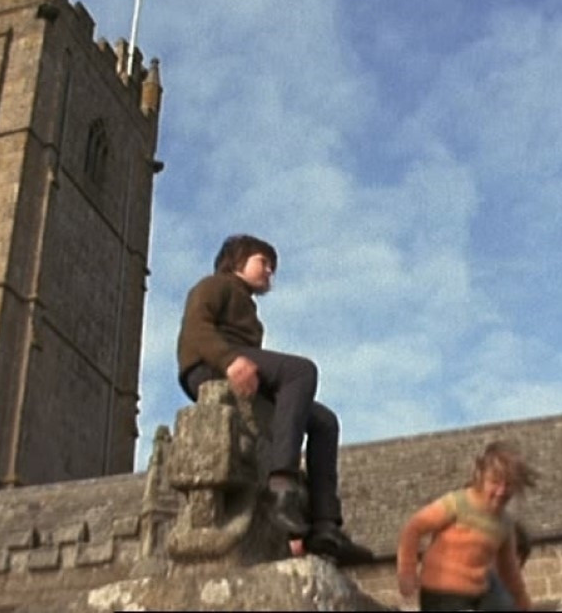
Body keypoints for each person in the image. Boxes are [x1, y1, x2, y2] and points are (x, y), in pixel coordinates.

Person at [176, 234, 373, 565]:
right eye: (263, 262)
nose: (269, 271)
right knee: (300, 371)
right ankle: (282, 484)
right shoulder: (213, 286)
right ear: (237, 261)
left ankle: (325, 526)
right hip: (208, 366)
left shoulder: (249, 307)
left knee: (324, 422)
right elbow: (195, 330)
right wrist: (229, 360)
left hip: (234, 362)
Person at [397, 441, 537, 611]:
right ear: (481, 478)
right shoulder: (457, 503)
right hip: (440, 593)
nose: (501, 491)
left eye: (508, 485)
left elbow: (510, 573)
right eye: (495, 482)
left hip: (477, 594)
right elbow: (414, 527)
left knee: (502, 602)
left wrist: (524, 604)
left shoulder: (505, 524)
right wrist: (407, 571)